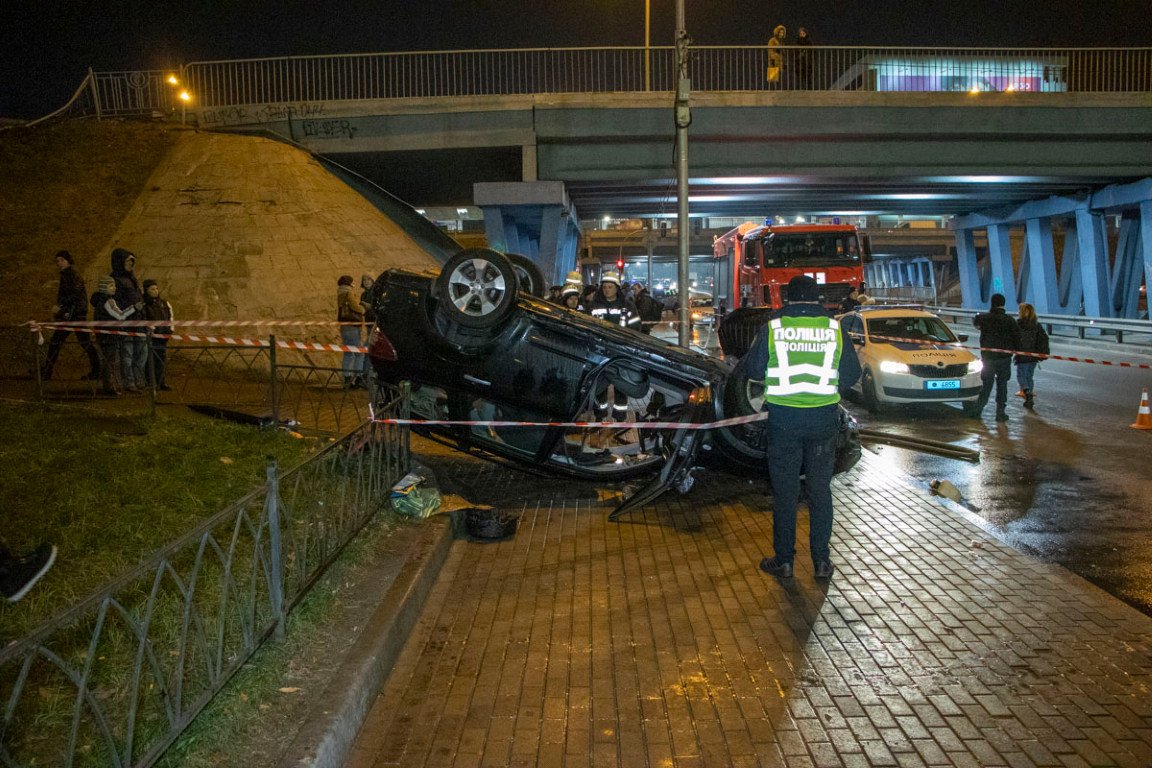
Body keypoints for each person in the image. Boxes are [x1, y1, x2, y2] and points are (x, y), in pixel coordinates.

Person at [744, 275, 861, 580]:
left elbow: (754, 370)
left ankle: (784, 561)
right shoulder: (835, 328)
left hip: (784, 421)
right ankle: (821, 562)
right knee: (820, 491)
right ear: (817, 298)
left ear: (787, 298)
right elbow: (850, 374)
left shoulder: (773, 327)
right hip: (823, 420)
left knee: (786, 493)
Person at [583, 271, 641, 421]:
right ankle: (600, 415)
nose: (607, 289)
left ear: (617, 288)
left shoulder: (628, 307)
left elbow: (636, 328)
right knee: (599, 386)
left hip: (621, 353)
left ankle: (620, 417)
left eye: (610, 287)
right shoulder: (593, 307)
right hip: (600, 353)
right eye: (605, 287)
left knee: (621, 386)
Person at [40, 250, 102, 382]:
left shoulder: (71, 274)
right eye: (57, 261)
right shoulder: (67, 274)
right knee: (79, 342)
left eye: (62, 260)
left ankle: (47, 371)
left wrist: (60, 306)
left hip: (73, 314)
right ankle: (97, 369)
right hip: (73, 314)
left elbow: (75, 294)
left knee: (60, 342)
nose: (59, 263)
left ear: (68, 260)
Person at [973, 293, 1022, 422]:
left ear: (992, 303)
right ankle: (1000, 413)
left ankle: (978, 409)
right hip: (1004, 359)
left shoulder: (984, 318)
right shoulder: (1009, 320)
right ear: (1003, 304)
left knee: (987, 385)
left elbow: (976, 322)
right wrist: (1017, 353)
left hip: (988, 358)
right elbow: (1017, 338)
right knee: (1002, 385)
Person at [91, 274, 138, 396]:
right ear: (103, 287)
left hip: (103, 336)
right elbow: (120, 315)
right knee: (111, 363)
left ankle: (109, 386)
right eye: (111, 285)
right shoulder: (109, 301)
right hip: (109, 337)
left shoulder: (99, 302)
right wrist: (134, 308)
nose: (114, 288)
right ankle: (110, 388)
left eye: (114, 285)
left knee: (108, 362)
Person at [110, 248, 147, 392]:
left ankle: (139, 380)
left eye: (132, 261)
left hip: (139, 323)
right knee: (127, 355)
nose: (131, 263)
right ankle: (129, 383)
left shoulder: (132, 279)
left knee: (142, 354)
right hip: (127, 324)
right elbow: (115, 303)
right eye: (127, 261)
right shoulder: (115, 280)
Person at [1014, 302, 1049, 411]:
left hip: (1022, 355)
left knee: (1021, 376)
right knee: (1029, 376)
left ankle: (1026, 391)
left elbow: (1012, 337)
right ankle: (1029, 397)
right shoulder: (1036, 325)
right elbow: (1044, 338)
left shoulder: (1018, 324)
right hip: (1034, 356)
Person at [141, 279, 174, 391]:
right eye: (152, 289)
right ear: (146, 290)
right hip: (152, 336)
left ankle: (161, 382)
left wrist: (170, 330)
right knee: (150, 360)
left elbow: (170, 317)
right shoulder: (144, 304)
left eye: (156, 288)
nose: (155, 291)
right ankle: (150, 383)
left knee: (161, 359)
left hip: (163, 336)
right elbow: (144, 318)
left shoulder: (164, 303)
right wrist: (152, 330)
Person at [337, 275, 365, 389]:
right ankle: (358, 378)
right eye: (353, 281)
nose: (354, 283)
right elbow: (355, 307)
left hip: (344, 327)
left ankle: (347, 379)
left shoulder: (340, 292)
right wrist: (363, 309)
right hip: (352, 326)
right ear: (349, 282)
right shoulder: (348, 293)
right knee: (360, 353)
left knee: (348, 353)